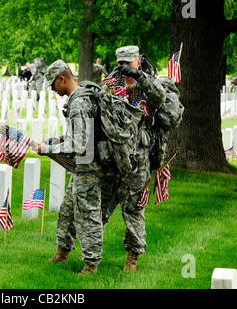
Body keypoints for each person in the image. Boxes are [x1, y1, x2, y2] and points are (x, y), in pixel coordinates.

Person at [34, 60, 104, 275]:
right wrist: (57, 140)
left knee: (87, 215)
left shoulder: (79, 103)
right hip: (83, 165)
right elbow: (81, 134)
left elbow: (79, 144)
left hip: (89, 166)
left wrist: (47, 149)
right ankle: (62, 253)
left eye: (54, 84)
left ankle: (91, 264)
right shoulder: (79, 98)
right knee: (67, 211)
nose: (54, 90)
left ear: (62, 79)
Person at [100, 45, 167, 272]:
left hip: (139, 157)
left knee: (133, 208)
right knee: (101, 205)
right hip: (112, 155)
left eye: (128, 64)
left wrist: (140, 77)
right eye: (121, 64)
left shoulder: (147, 84)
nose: (124, 69)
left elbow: (159, 97)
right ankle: (92, 254)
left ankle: (133, 256)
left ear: (138, 62)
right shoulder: (112, 83)